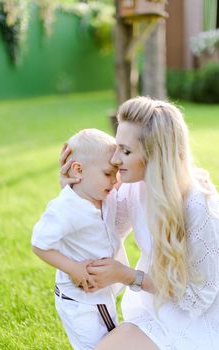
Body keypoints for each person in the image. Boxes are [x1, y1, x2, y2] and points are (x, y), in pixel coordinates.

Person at [60, 96, 219, 350]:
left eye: (126, 151)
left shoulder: (199, 206)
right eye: (116, 146)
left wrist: (128, 276)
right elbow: (100, 232)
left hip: (200, 320)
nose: (114, 159)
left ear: (155, 155)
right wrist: (76, 187)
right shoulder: (135, 186)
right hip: (155, 310)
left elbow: (201, 298)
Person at [31, 128, 129, 350]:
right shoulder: (67, 207)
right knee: (98, 344)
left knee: (111, 339)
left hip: (98, 293)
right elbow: (39, 244)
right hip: (81, 299)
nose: (114, 181)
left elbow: (125, 183)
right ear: (78, 169)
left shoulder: (102, 197)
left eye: (116, 173)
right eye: (107, 173)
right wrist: (73, 268)